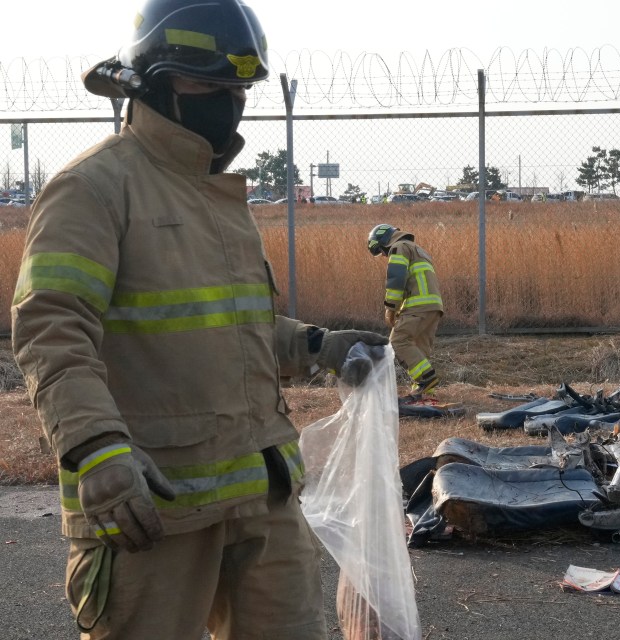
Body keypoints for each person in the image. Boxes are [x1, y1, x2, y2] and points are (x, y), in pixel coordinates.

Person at [10, 1, 387, 638]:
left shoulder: (215, 192)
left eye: (239, 88)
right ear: (152, 79)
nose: (229, 102)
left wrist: (318, 345)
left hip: (261, 497)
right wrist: (96, 450)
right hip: (153, 508)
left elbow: (228, 330)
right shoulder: (94, 188)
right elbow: (52, 328)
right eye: (209, 85)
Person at [367, 224, 444, 401]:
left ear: (385, 240)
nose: (384, 255)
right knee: (419, 347)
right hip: (434, 306)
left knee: (398, 341)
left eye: (382, 250)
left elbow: (396, 279)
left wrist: (390, 309)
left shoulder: (399, 247)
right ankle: (424, 392)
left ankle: (427, 378)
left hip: (418, 305)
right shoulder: (418, 250)